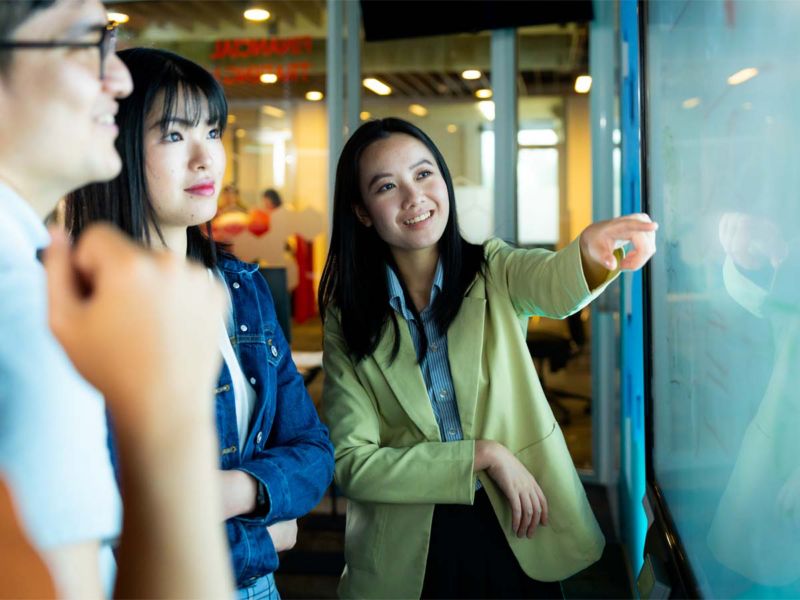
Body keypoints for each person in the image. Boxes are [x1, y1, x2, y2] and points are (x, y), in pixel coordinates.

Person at [319, 117, 658, 599]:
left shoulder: (493, 269)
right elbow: (353, 463)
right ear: (362, 211)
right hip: (407, 546)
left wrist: (589, 252)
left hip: (518, 522)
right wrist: (482, 455)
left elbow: (550, 282)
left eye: (423, 174)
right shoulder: (346, 317)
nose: (414, 198)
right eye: (387, 186)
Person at [66, 47, 335, 598]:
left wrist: (233, 492)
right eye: (173, 135)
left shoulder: (242, 288)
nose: (205, 157)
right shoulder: (83, 305)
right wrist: (266, 537)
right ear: (114, 148)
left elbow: (313, 450)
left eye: (212, 132)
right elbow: (112, 525)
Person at [0, 1, 233, 597]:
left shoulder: (35, 269)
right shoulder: (24, 300)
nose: (119, 77)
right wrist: (169, 420)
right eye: (85, 43)